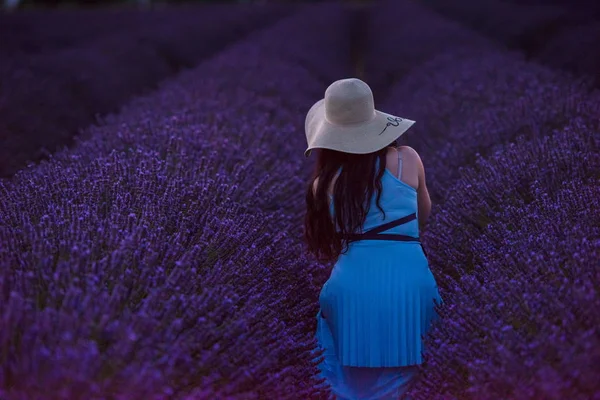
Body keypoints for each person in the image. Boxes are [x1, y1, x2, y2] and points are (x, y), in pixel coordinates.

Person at [303, 78, 443, 399]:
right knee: (410, 379)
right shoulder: (408, 159)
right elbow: (422, 218)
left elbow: (328, 241)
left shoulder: (323, 184)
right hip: (409, 283)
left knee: (350, 382)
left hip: (350, 287)